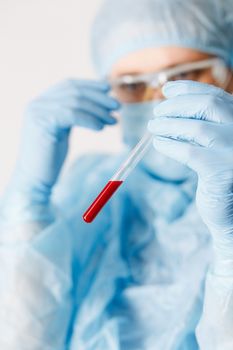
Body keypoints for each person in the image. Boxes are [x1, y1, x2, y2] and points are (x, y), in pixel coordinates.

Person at [0, 0, 233, 349]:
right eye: (132, 85)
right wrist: (29, 202)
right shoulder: (86, 183)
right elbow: (21, 338)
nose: (157, 100)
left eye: (183, 76)